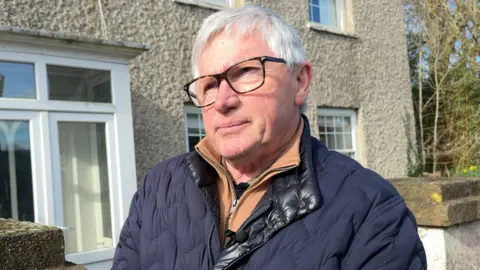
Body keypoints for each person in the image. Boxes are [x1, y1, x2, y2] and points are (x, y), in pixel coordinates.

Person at [112, 5, 427, 270]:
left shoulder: (373, 211)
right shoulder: (159, 187)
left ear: (300, 82)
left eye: (246, 72)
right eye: (208, 84)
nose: (223, 101)